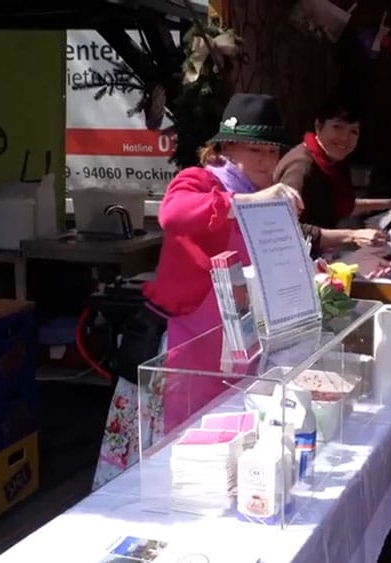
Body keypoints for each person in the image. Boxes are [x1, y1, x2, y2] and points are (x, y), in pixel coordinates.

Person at [92, 93, 303, 490]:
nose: (266, 161)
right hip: (178, 347)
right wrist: (242, 202)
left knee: (219, 456)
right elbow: (172, 215)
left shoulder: (270, 197)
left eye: (273, 152)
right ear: (224, 148)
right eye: (255, 150)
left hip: (232, 348)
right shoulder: (201, 180)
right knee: (163, 463)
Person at [273, 95, 391, 256]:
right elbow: (285, 230)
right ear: (318, 126)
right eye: (338, 127)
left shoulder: (333, 163)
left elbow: (334, 205)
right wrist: (352, 236)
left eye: (353, 131)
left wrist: (388, 204)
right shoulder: (302, 167)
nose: (345, 138)